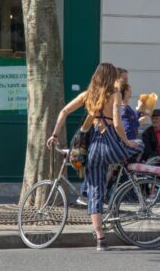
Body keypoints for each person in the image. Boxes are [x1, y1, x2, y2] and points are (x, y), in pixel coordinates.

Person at [46, 62, 144, 251]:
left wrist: (55, 134)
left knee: (95, 192)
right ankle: (129, 176)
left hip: (94, 150)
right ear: (110, 77)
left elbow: (64, 111)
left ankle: (100, 238)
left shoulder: (87, 96)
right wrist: (128, 142)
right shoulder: (114, 94)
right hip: (112, 147)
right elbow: (117, 124)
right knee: (139, 144)